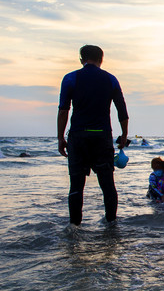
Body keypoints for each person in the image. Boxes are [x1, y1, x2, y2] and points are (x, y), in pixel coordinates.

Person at [57, 45, 129, 226]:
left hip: (78, 136)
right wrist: (124, 135)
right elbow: (122, 110)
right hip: (102, 137)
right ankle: (111, 224)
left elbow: (63, 110)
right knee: (107, 184)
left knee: (76, 185)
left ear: (81, 59)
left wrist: (60, 138)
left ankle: (74, 227)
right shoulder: (111, 80)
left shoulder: (70, 78)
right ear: (101, 59)